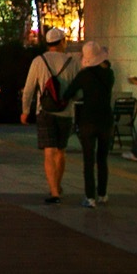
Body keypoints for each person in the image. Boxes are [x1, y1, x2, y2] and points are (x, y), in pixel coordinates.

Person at [20, 27, 80, 204]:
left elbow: (29, 88)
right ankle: (57, 185)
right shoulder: (73, 61)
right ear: (62, 41)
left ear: (48, 43)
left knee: (49, 152)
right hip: (66, 112)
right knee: (61, 152)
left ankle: (54, 192)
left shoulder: (39, 61)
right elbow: (78, 91)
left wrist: (25, 111)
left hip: (45, 112)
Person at [59, 42, 115, 207]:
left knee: (88, 160)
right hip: (106, 119)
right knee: (102, 159)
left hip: (88, 120)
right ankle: (103, 193)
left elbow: (69, 92)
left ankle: (90, 197)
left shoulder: (84, 75)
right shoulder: (109, 74)